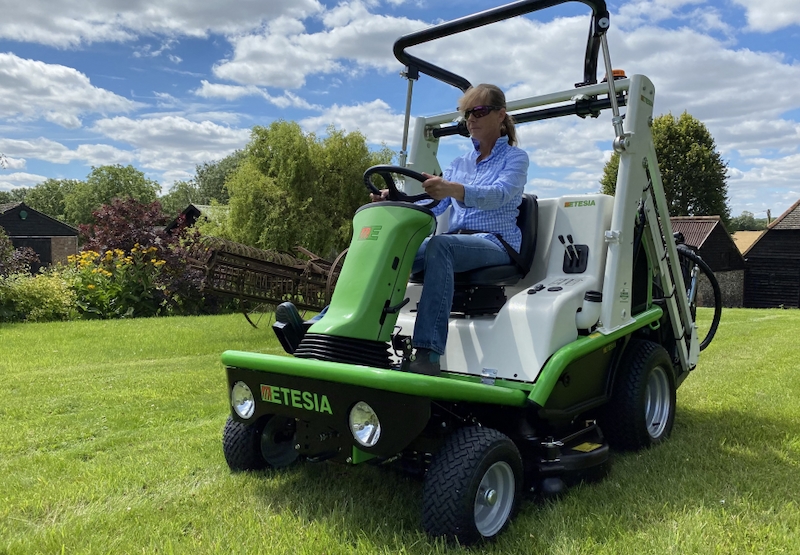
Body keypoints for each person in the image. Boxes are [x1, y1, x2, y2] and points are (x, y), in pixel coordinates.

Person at [277, 84, 529, 376]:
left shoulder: (515, 159)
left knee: (440, 246)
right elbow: (435, 206)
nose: (471, 118)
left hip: (496, 244)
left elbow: (500, 194)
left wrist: (451, 187)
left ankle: (428, 354)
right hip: (458, 243)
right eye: (467, 114)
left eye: (479, 111)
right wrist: (394, 198)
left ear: (500, 115)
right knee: (390, 244)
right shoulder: (460, 163)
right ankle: (322, 327)